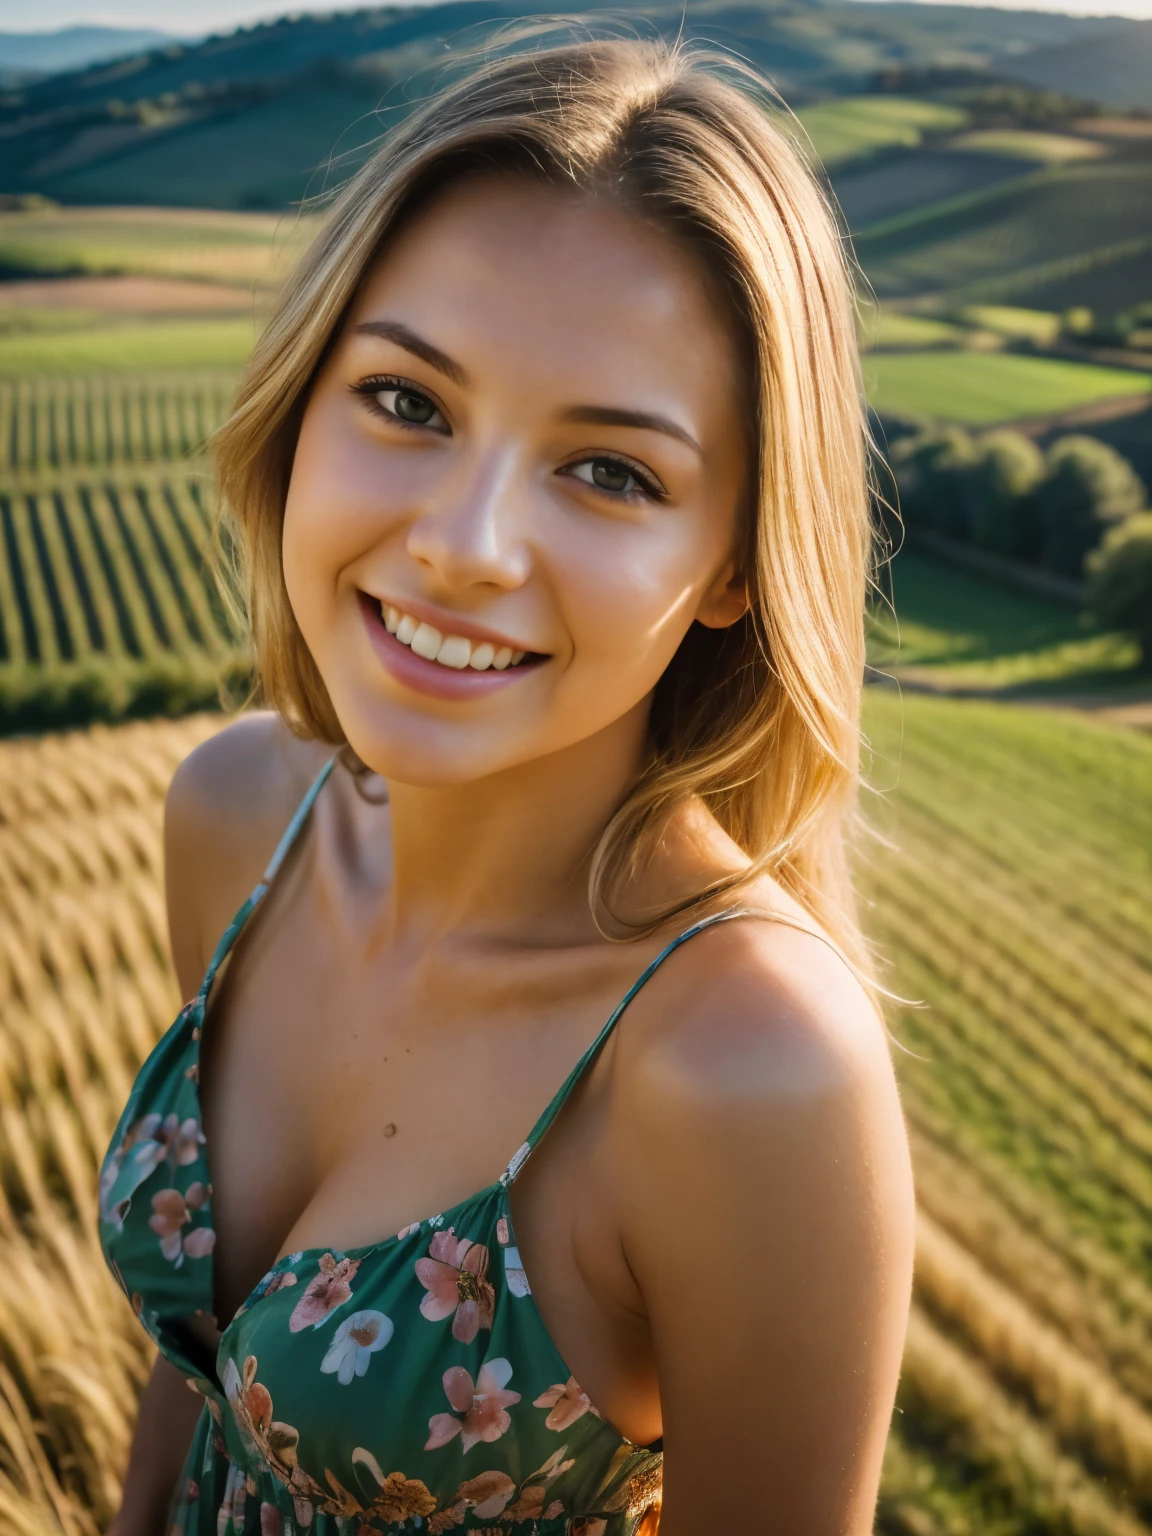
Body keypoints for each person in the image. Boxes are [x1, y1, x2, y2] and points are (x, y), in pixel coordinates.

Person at [99, 36, 915, 1536]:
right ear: (302, 407)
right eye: (408, 402)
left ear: (733, 564)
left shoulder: (748, 1069)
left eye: (610, 472)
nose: (466, 543)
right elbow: (200, 1367)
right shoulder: (234, 819)